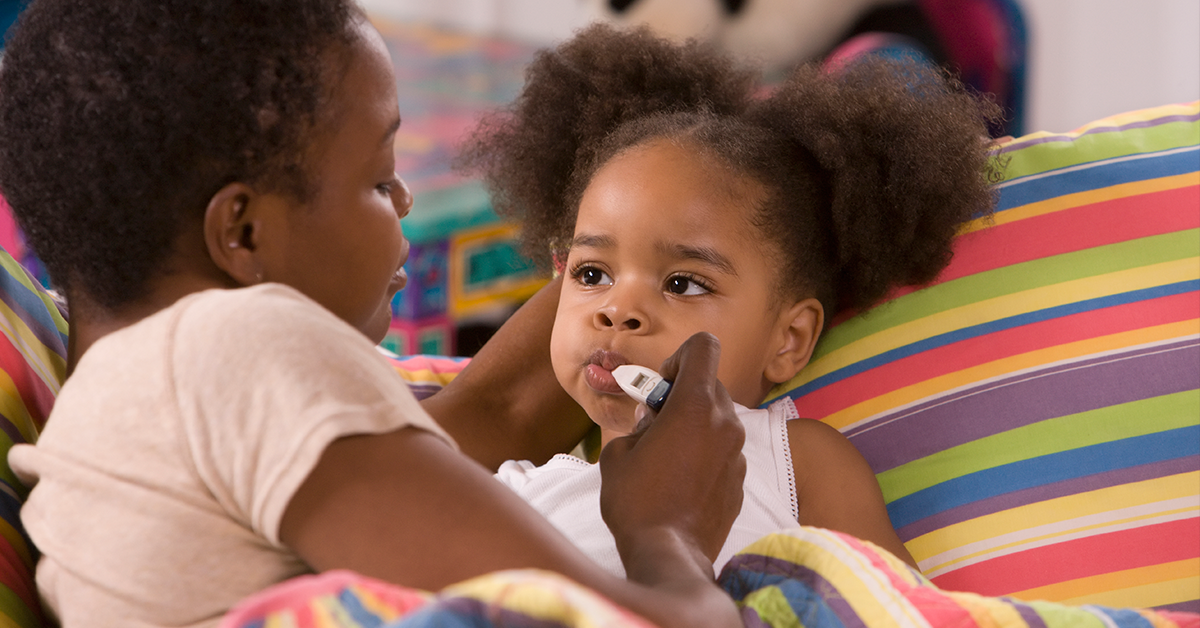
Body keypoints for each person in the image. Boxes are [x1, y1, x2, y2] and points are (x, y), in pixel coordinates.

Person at [0, 2, 750, 627]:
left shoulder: (120, 413)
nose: (405, 202)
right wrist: (668, 529)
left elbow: (491, 419)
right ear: (243, 233)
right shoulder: (233, 345)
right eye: (379, 178)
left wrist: (632, 261)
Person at [458, 24, 1001, 575]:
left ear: (788, 340)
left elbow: (904, 609)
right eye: (593, 273)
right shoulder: (515, 491)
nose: (617, 310)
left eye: (682, 285)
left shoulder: (793, 461)